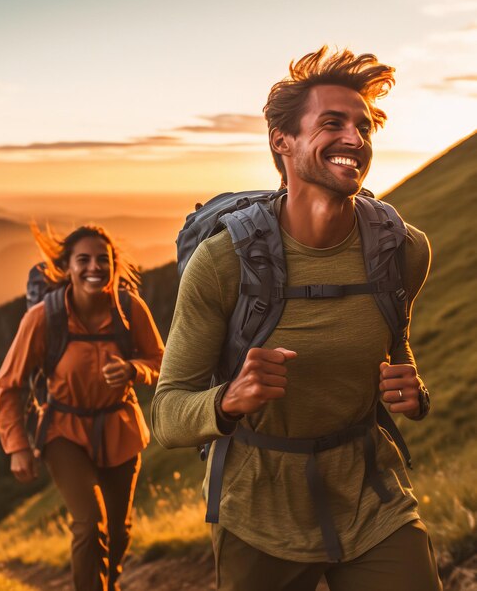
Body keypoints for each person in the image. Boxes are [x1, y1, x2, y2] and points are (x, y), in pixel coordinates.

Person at [151, 47, 442, 591]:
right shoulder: (223, 264)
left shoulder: (402, 251)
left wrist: (413, 392)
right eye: (332, 123)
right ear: (281, 141)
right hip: (259, 515)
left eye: (363, 126)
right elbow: (166, 414)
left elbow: (393, 351)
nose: (355, 139)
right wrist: (229, 399)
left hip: (371, 499)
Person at [0, 224, 164, 591]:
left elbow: (160, 360)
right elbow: (9, 385)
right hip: (63, 432)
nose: (94, 268)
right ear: (67, 268)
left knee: (118, 532)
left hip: (120, 428)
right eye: (83, 260)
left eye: (103, 260)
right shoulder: (42, 318)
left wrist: (134, 370)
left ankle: (109, 584)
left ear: (114, 266)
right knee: (89, 524)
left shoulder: (130, 309)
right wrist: (17, 447)